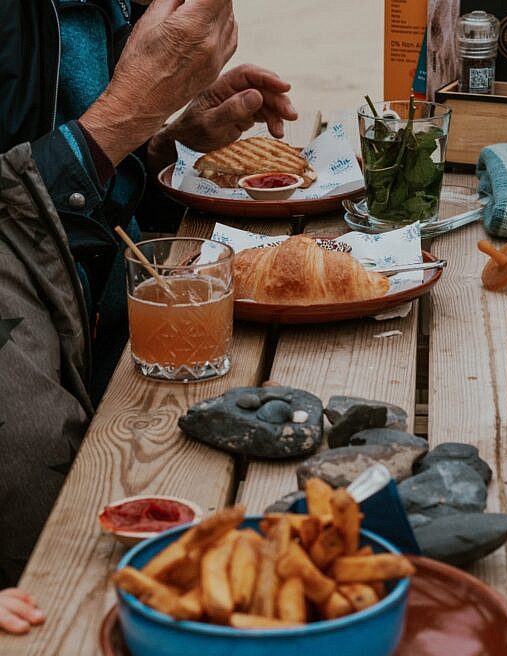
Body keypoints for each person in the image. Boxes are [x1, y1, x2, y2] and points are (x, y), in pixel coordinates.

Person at [0, 0, 297, 586]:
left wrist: (159, 150)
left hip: (134, 384)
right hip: (42, 564)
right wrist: (128, 112)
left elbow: (77, 215)